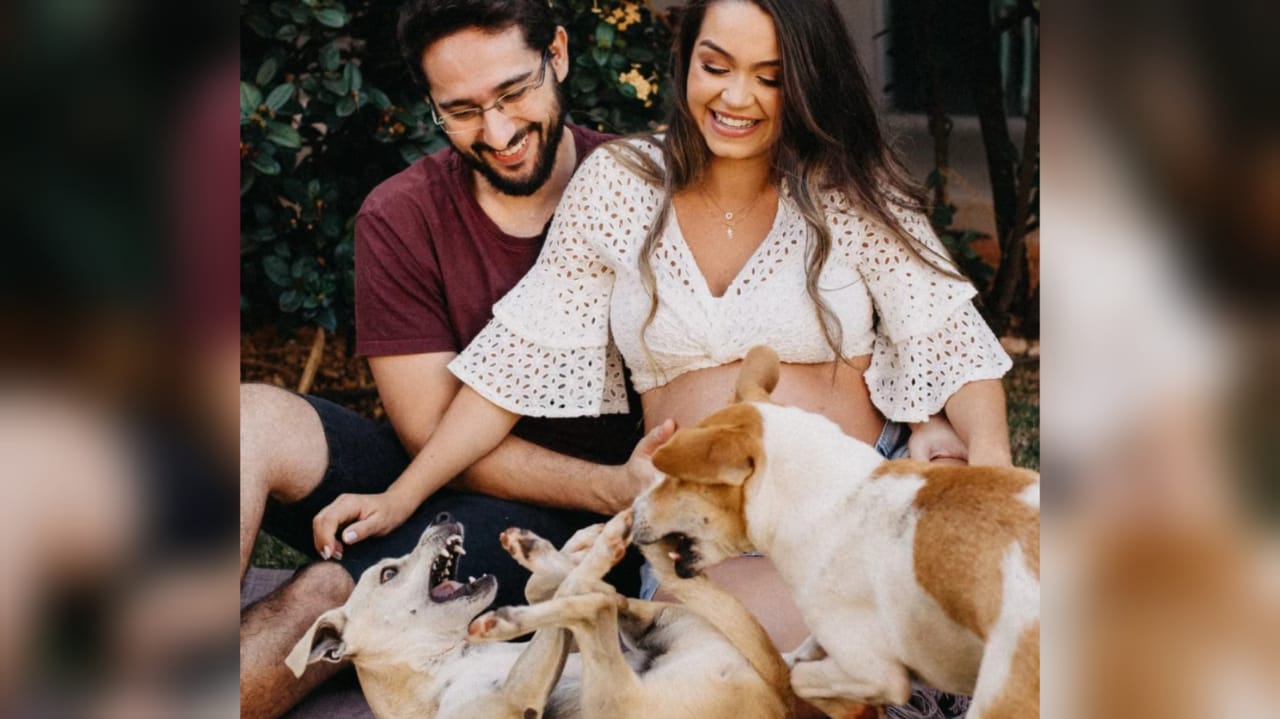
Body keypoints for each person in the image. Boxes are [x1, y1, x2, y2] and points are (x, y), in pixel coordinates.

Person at [313, 0, 1013, 716]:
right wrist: (401, 495)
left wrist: (986, 485)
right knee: (735, 683)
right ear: (684, 62)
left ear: (807, 81)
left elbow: (952, 344)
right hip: (702, 535)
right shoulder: (620, 184)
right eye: (716, 66)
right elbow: (512, 368)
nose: (736, 96)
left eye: (769, 77)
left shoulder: (850, 186)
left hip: (849, 499)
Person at [238, 1, 658, 717]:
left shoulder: (635, 185)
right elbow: (432, 435)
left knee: (328, 597)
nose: (497, 132)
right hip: (444, 467)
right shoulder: (400, 214)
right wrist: (608, 485)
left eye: (514, 92)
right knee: (246, 419)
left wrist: (618, 490)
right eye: (461, 111)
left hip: (568, 531)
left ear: (557, 54)